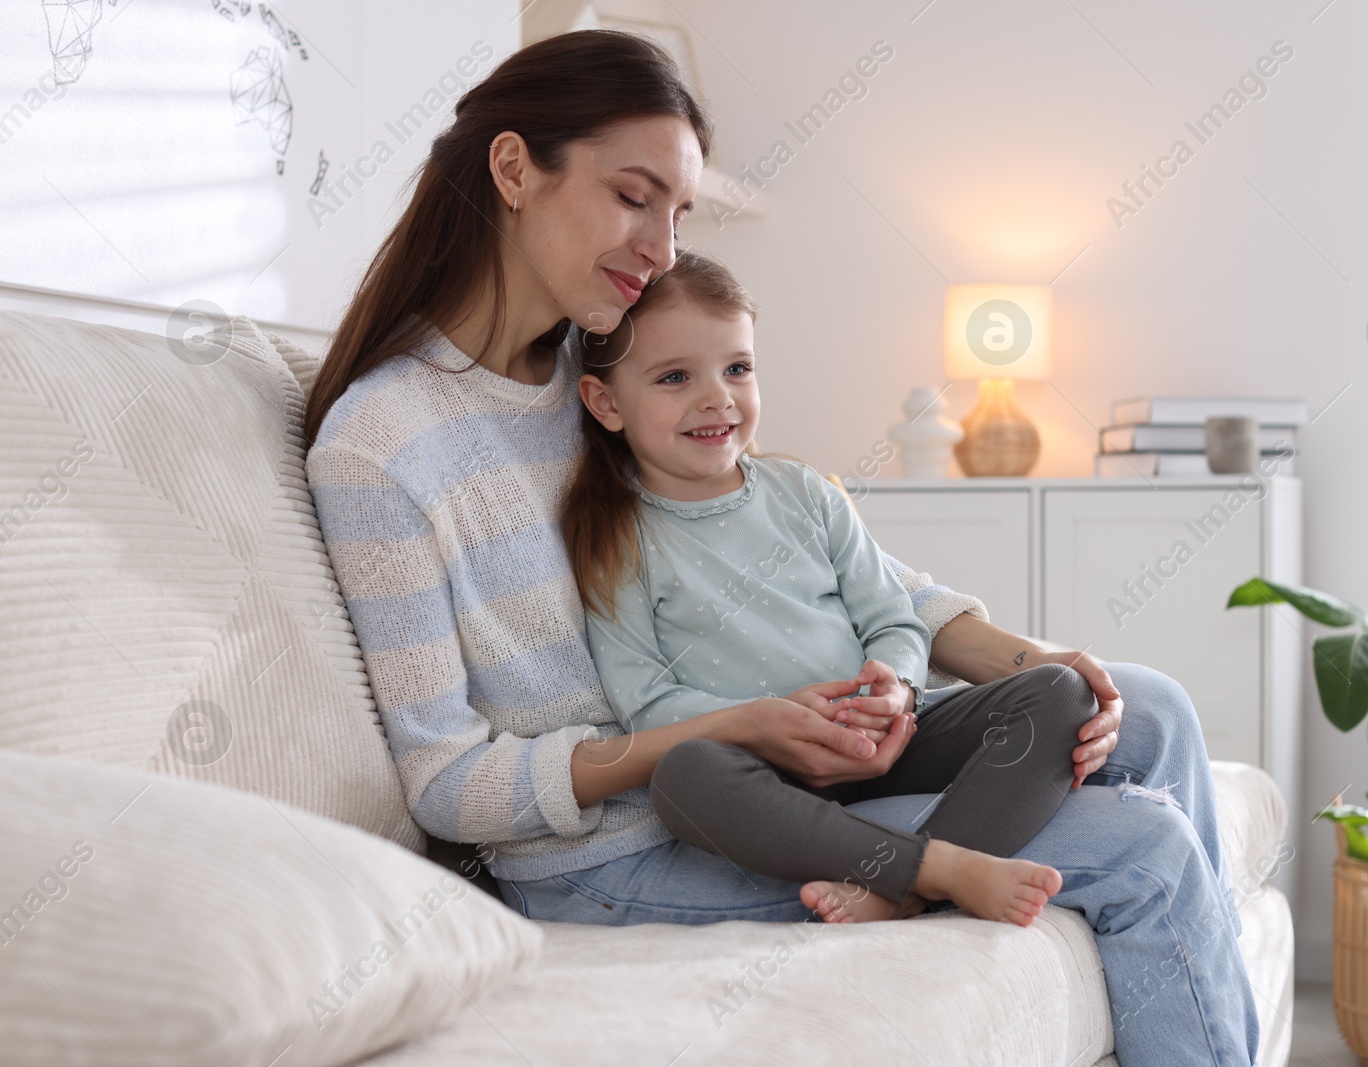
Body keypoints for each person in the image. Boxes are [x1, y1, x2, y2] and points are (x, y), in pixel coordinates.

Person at [303, 29, 1260, 1064]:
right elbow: (447, 783)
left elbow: (826, 559)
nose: (661, 248)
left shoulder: (606, 362)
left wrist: (1029, 661)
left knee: (1149, 704)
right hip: (637, 835)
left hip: (789, 751)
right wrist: (740, 727)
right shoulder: (384, 445)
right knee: (1146, 849)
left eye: (679, 213)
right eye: (634, 195)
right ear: (513, 168)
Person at [563, 249, 1102, 927]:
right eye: (675, 377)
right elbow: (647, 704)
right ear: (606, 402)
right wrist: (769, 719)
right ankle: (938, 872)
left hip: (886, 737)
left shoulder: (806, 493)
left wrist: (896, 685)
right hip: (768, 774)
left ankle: (897, 891)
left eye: (737, 368)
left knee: (1062, 690)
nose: (716, 397)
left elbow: (895, 619)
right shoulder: (618, 540)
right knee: (682, 776)